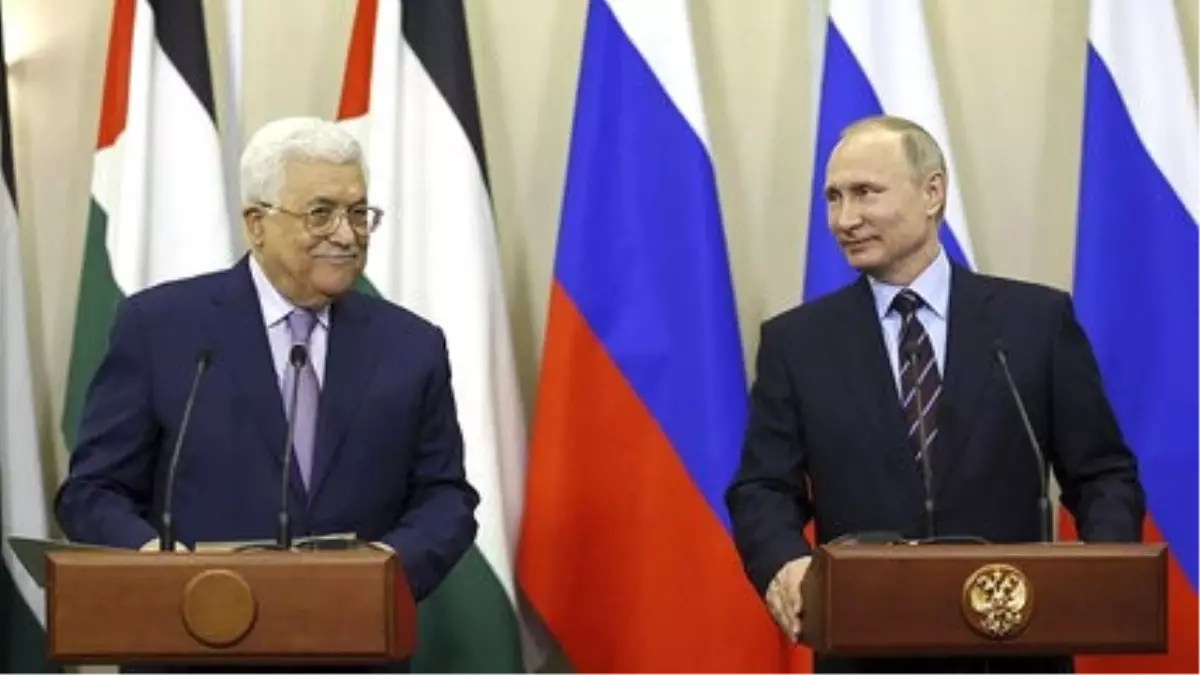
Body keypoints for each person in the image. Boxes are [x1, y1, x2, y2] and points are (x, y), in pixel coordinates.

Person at [55, 117, 479, 674]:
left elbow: (445, 496)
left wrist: (386, 568)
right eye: (321, 213)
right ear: (257, 223)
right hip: (195, 650)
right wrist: (156, 563)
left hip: (352, 655)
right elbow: (93, 491)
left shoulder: (411, 345)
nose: (347, 235)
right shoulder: (161, 328)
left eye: (359, 213)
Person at [725, 115, 1145, 675]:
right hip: (866, 651)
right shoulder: (797, 343)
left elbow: (1102, 474)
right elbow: (762, 488)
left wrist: (1105, 570)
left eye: (865, 193)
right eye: (833, 197)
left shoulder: (1034, 324)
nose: (844, 219)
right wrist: (785, 563)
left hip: (1011, 651)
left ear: (932, 193)